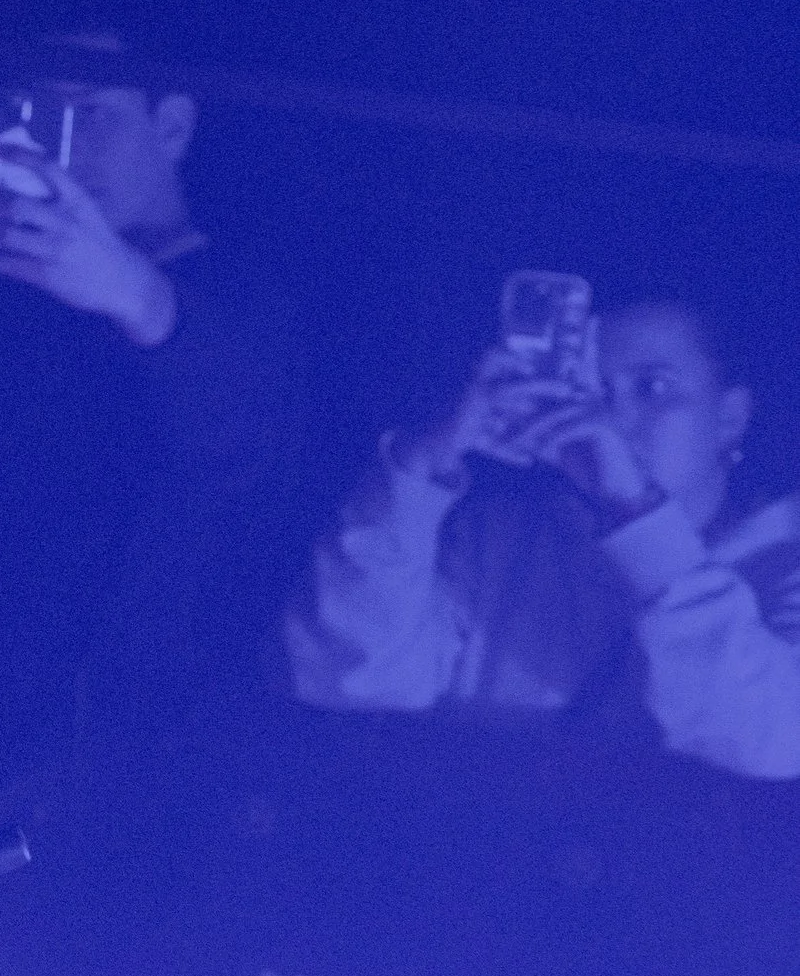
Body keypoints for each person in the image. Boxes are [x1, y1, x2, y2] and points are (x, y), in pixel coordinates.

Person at [0, 28, 299, 768]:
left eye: (90, 113)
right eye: (37, 116)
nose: (64, 143)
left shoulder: (249, 293)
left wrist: (132, 290)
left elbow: (239, 439)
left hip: (140, 733)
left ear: (171, 125)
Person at [285, 293, 800, 778]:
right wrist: (419, 469)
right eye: (592, 391)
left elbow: (772, 734)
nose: (612, 418)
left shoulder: (783, 552)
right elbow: (350, 675)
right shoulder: (500, 543)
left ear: (731, 416)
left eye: (653, 388)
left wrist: (636, 508)